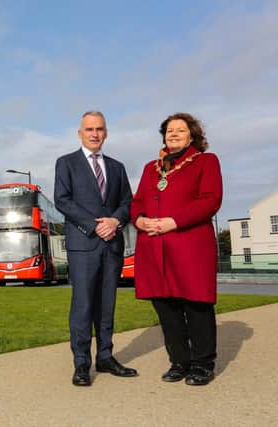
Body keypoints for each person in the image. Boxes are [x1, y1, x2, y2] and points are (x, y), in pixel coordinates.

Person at [130, 112, 222, 386]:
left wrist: (173, 222)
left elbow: (211, 200)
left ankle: (203, 364)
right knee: (166, 309)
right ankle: (179, 362)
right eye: (169, 130)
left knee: (196, 306)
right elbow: (137, 202)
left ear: (192, 135)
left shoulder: (206, 161)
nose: (173, 134)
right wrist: (139, 219)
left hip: (190, 246)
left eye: (180, 130)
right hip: (154, 248)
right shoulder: (151, 168)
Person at [54, 111, 137, 386]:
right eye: (89, 129)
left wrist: (115, 220)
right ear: (80, 133)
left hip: (112, 244)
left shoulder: (117, 167)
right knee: (83, 305)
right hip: (84, 245)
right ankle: (81, 363)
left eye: (99, 129)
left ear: (106, 132)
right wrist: (94, 225)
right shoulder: (66, 163)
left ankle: (105, 357)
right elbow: (62, 201)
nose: (94, 133)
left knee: (106, 304)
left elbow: (128, 202)